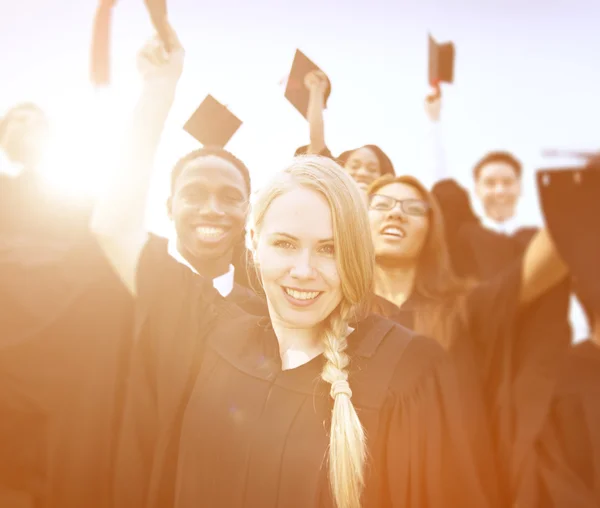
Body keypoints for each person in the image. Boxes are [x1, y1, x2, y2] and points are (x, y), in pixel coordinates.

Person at [366, 174, 575, 505]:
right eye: (381, 205)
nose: (396, 213)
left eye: (413, 208)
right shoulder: (339, 320)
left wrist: (580, 186)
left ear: (431, 230)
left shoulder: (464, 308)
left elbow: (542, 265)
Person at [164, 146, 265, 311]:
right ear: (170, 208)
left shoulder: (266, 318)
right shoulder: (130, 299)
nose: (212, 210)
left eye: (230, 198)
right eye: (193, 195)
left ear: (247, 212)